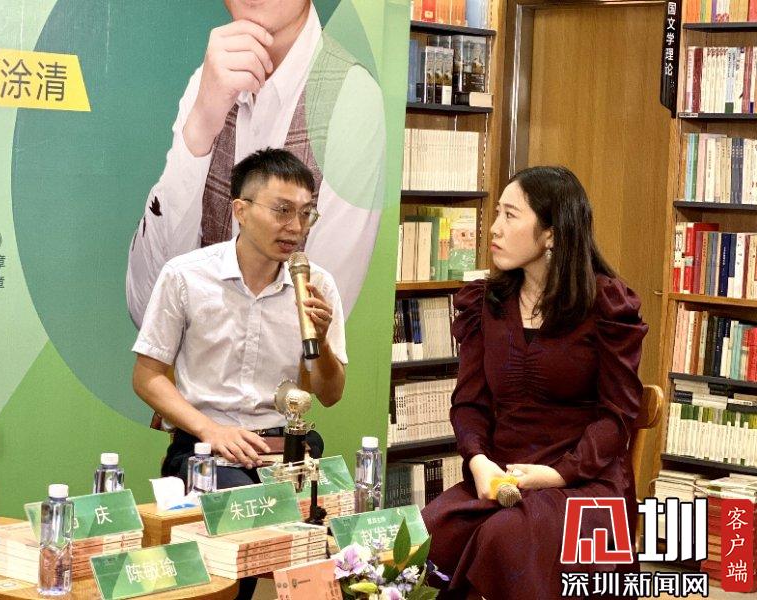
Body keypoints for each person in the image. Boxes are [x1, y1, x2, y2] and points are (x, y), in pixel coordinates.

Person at [421, 166, 648, 599]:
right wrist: (478, 461)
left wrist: (558, 474)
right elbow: (469, 404)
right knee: (425, 535)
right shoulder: (485, 303)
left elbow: (617, 418)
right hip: (502, 476)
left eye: (510, 215)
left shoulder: (606, 305)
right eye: (496, 213)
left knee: (506, 538)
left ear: (551, 234)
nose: (494, 228)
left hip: (583, 480)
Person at [131, 149, 347, 597]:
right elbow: (147, 376)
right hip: (206, 450)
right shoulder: (186, 276)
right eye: (282, 211)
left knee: (339, 539)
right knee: (243, 540)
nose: (295, 227)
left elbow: (330, 394)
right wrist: (212, 431)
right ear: (241, 211)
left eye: (305, 213)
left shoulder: (317, 285)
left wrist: (322, 341)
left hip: (287, 450)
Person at [126, 0, 385, 329]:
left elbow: (310, 328)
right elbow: (147, 309)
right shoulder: (206, 81)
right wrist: (200, 126)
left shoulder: (351, 97)